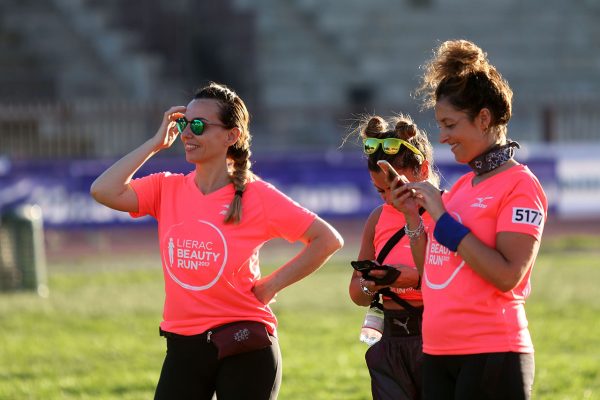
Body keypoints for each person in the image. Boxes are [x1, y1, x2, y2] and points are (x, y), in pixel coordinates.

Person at [90, 82, 344, 400]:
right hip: (183, 345)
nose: (186, 133)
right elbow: (103, 190)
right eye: (184, 123)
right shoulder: (166, 189)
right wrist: (155, 144)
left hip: (245, 344)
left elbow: (327, 240)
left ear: (230, 136)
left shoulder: (257, 195)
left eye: (198, 125)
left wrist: (271, 285)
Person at [388, 40, 548, 400]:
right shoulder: (462, 185)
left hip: (493, 352)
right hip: (439, 351)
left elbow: (507, 276)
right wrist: (413, 218)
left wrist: (442, 219)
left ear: (485, 118)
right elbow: (433, 273)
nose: (442, 137)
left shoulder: (521, 185)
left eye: (449, 124)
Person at [348, 113, 440, 400]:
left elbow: (459, 280)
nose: (389, 199)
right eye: (380, 191)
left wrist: (409, 278)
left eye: (396, 187)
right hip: (391, 343)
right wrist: (370, 284)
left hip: (438, 338)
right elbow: (356, 293)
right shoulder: (377, 219)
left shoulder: (445, 211)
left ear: (422, 169)